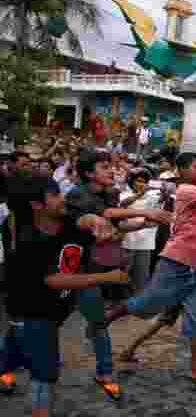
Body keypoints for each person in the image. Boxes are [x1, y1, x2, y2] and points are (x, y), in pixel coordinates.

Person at [104, 152, 196, 394]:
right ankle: (108, 317)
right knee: (146, 306)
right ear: (181, 171)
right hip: (176, 261)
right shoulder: (187, 189)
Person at [0, 176, 123, 417]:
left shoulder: (63, 223)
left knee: (10, 362)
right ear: (37, 204)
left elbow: (88, 222)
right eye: (54, 195)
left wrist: (98, 220)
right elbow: (54, 280)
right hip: (33, 318)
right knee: (44, 378)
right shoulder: (31, 240)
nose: (61, 199)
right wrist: (106, 277)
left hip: (42, 317)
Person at [64, 149, 173, 401]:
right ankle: (7, 364)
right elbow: (106, 215)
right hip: (64, 270)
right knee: (44, 318)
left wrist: (144, 224)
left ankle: (104, 372)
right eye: (105, 167)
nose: (112, 170)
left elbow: (117, 224)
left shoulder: (108, 193)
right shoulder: (77, 195)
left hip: (88, 272)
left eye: (112, 167)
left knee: (98, 322)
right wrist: (144, 212)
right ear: (88, 172)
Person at [119, 169, 162, 295]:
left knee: (142, 276)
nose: (141, 184)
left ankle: (138, 303)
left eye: (144, 182)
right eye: (138, 181)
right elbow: (123, 204)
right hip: (127, 242)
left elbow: (161, 202)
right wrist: (139, 194)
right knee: (124, 273)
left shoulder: (152, 196)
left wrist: (165, 192)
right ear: (131, 182)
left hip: (145, 243)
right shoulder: (124, 194)